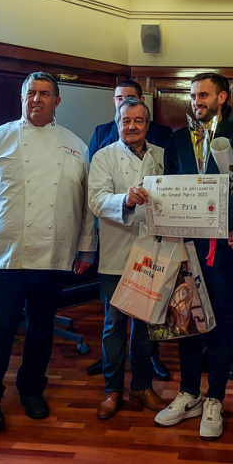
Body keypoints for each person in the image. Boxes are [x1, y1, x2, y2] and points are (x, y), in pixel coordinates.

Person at [0, 71, 97, 431]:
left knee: (41, 329)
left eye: (45, 93)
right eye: (31, 93)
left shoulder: (76, 146)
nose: (37, 99)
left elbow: (85, 205)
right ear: (22, 98)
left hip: (54, 254)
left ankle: (33, 389)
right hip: (3, 254)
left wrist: (85, 249)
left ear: (57, 101)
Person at [154, 72, 233, 440]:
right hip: (186, 246)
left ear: (222, 97)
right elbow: (168, 186)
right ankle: (189, 394)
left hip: (226, 251)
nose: (197, 101)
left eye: (204, 95)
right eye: (194, 95)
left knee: (221, 323)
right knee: (186, 320)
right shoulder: (176, 139)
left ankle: (215, 397)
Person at [86, 79, 171, 381]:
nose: (132, 126)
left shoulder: (162, 156)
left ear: (147, 124)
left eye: (138, 121)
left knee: (146, 325)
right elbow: (96, 200)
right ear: (117, 123)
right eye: (125, 121)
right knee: (114, 324)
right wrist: (125, 199)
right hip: (117, 252)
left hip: (152, 251)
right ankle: (112, 389)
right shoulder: (104, 156)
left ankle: (142, 385)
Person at [88, 79, 173, 156]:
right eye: (119, 98)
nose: (124, 102)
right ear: (114, 101)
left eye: (130, 98)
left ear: (142, 100)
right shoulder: (101, 133)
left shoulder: (162, 133)